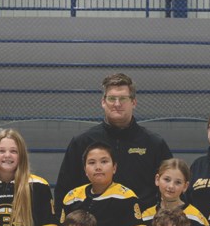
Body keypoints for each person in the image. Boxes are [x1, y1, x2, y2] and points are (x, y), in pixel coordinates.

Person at [55, 73, 172, 208]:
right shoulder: (82, 142)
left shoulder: (154, 143)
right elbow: (63, 191)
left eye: (123, 98)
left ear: (133, 102)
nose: (117, 104)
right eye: (111, 98)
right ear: (103, 102)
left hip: (142, 225)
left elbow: (172, 188)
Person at [59, 141, 149, 226]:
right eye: (91, 162)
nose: (98, 167)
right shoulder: (71, 197)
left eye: (104, 161)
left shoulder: (126, 197)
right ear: (85, 170)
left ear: (114, 168)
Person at [140, 158, 210, 226]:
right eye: (167, 179)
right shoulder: (146, 216)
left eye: (178, 182)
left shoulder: (196, 218)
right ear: (157, 179)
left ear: (185, 186)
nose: (171, 186)